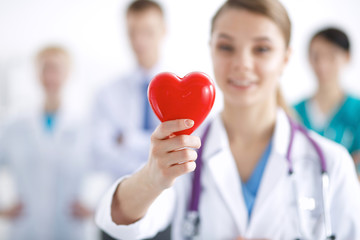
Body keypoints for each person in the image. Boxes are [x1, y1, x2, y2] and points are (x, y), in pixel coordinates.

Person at [95, 0, 360, 239]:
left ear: (285, 59)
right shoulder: (185, 158)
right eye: (226, 46)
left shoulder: (332, 163)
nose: (242, 63)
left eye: (262, 49)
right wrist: (152, 177)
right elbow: (119, 221)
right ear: (210, 50)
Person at [91, 0, 171, 239]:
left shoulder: (186, 93)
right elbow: (99, 155)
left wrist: (126, 139)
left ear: (164, 31)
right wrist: (158, 150)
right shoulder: (107, 93)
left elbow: (187, 153)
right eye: (132, 32)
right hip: (118, 213)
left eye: (147, 31)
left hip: (166, 215)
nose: (139, 41)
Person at [0, 46, 92, 240]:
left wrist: (97, 207)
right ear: (36, 73)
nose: (51, 76)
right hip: (24, 230)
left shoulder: (85, 128)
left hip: (69, 230)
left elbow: (115, 167)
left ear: (69, 73)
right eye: (45, 68)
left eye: (57, 68)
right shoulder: (13, 127)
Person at [294, 27, 360, 178]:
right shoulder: (293, 112)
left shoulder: (357, 111)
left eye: (331, 56)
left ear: (347, 57)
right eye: (316, 56)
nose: (322, 65)